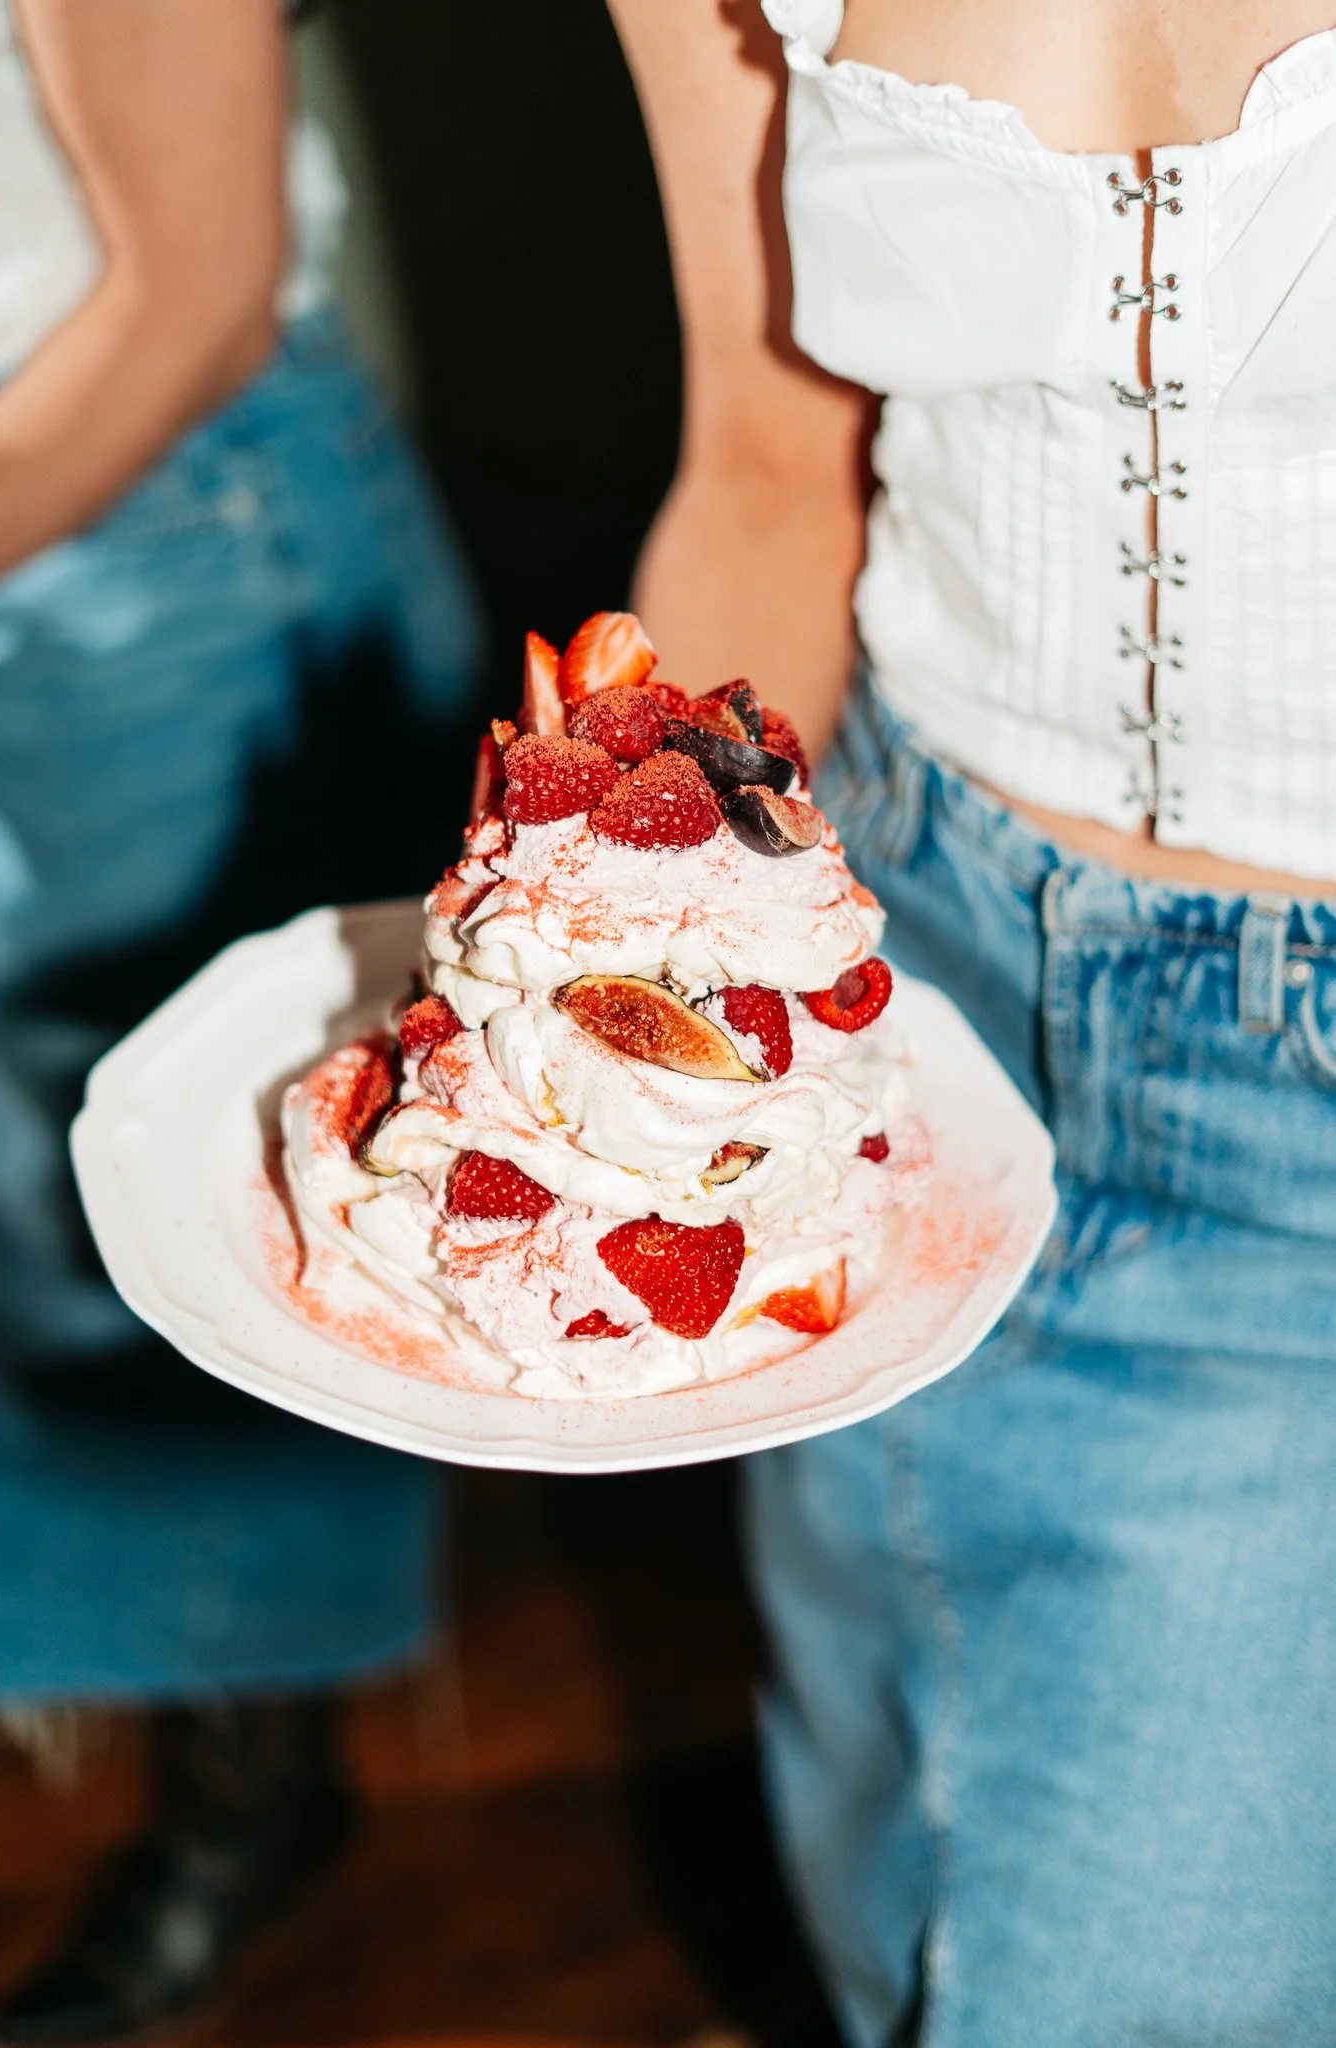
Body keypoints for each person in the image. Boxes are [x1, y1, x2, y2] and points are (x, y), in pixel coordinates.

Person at [606, 0, 1336, 2039]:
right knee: (882, 1866)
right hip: (896, 988)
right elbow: (764, 466)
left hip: (1302, 1160)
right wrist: (621, 949)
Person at [0, 1, 479, 2041]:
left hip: (147, 520)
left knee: (196, 1251)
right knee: (10, 1206)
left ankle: (250, 1800)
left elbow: (193, 303)